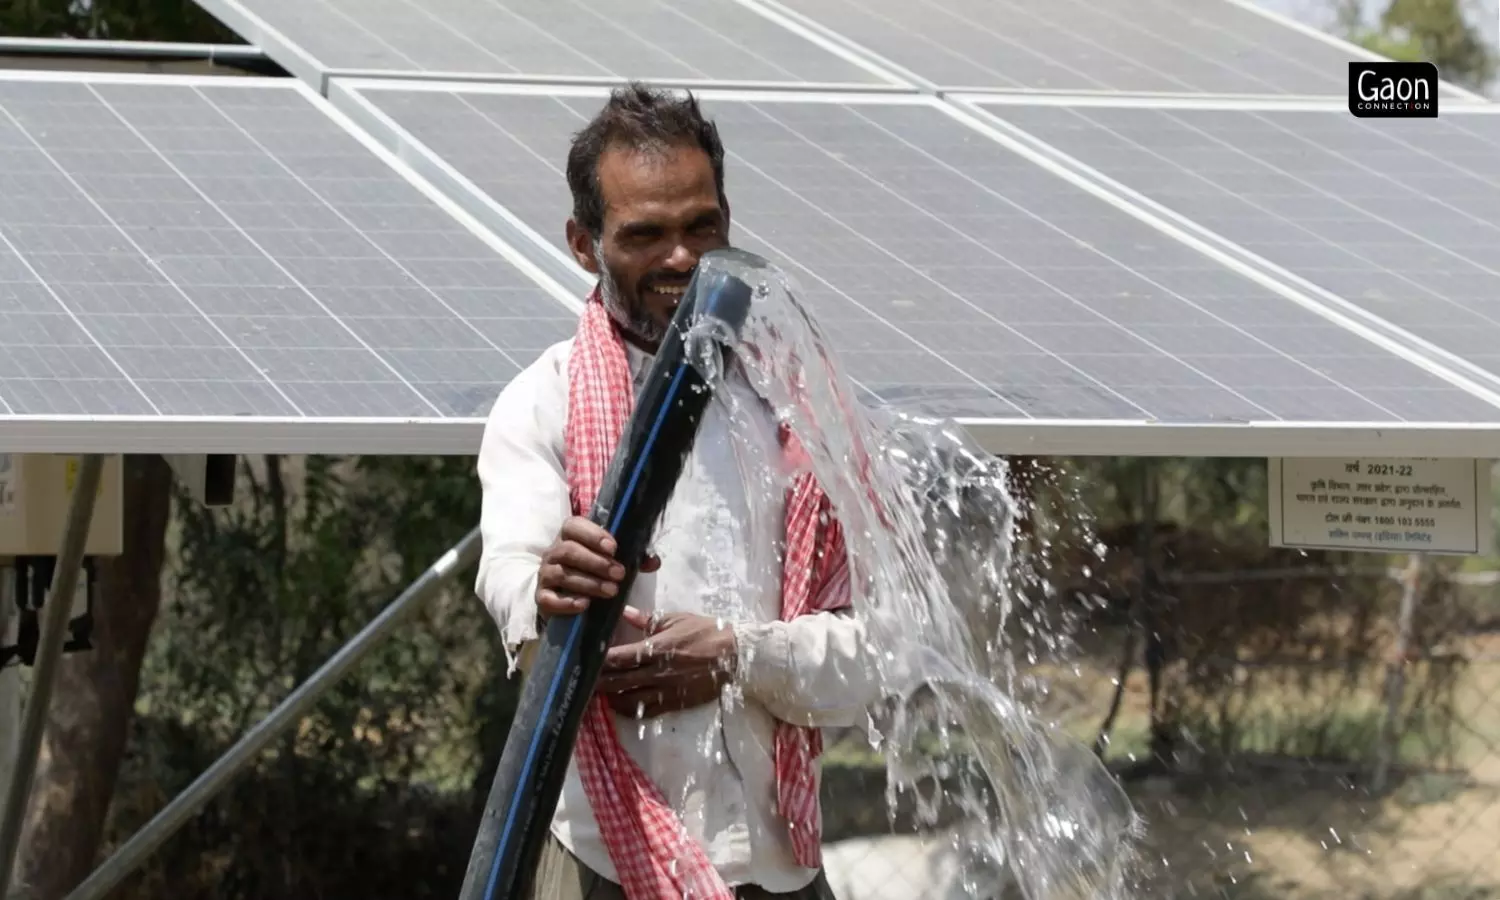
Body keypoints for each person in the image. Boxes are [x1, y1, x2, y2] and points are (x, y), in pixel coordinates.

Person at [474, 83, 882, 900]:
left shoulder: (801, 407)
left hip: (778, 867)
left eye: (703, 227)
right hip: (600, 864)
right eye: (645, 235)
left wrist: (738, 658)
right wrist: (547, 591)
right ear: (584, 245)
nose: (682, 260)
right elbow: (513, 582)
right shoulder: (544, 400)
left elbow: (876, 655)